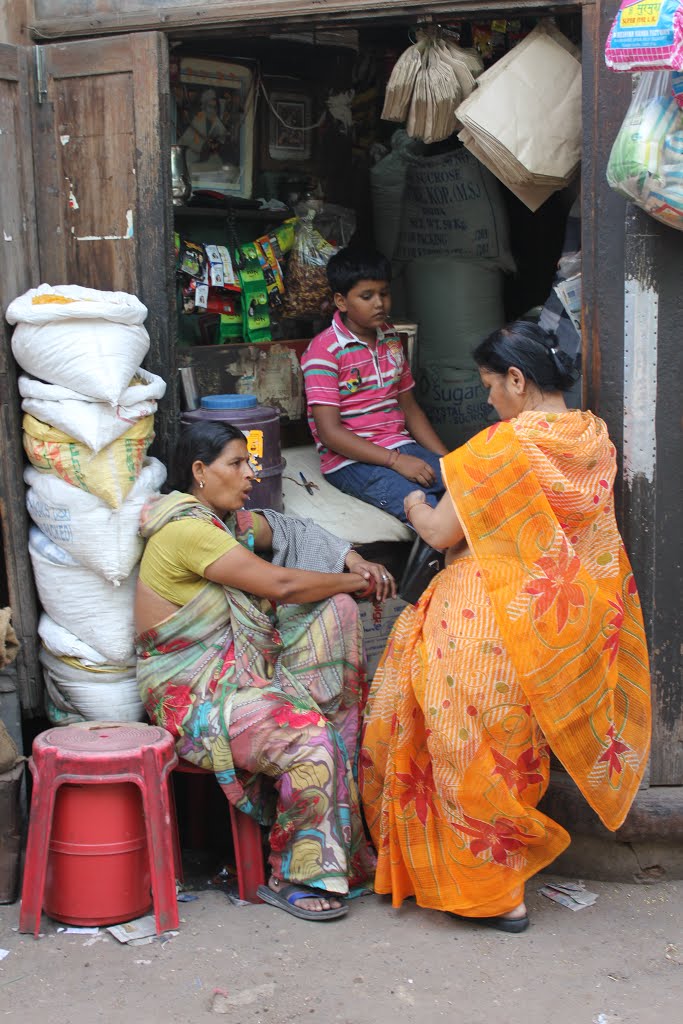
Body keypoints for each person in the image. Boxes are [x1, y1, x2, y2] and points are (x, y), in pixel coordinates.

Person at [360, 321, 651, 932]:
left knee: (459, 748)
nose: (489, 398)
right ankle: (499, 877)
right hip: (548, 626)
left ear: (518, 380)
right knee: (511, 755)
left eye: (492, 385)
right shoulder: (594, 439)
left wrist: (411, 502)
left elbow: (442, 534)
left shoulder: (500, 447)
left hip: (481, 619)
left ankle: (494, 894)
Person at [135, 421, 395, 921]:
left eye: (249, 462)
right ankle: (295, 875)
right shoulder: (188, 531)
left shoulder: (228, 524)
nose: (249, 474)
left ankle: (338, 844)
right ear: (199, 472)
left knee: (337, 613)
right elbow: (281, 585)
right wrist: (353, 579)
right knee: (311, 739)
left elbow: (292, 529)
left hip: (238, 674)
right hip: (195, 697)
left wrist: (352, 558)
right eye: (235, 463)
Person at [301, 246, 448, 525]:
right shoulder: (324, 351)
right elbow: (330, 434)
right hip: (350, 461)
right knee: (429, 511)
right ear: (341, 302)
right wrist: (395, 461)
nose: (379, 303)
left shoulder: (390, 337)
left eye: (384, 293)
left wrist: (448, 461)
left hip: (400, 446)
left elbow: (409, 407)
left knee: (468, 488)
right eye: (367, 296)